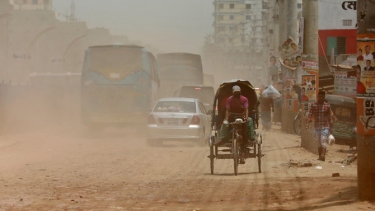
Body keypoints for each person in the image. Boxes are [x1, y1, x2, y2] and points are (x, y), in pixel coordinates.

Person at [219, 85, 256, 164]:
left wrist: (246, 118)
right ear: (233, 93)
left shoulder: (244, 99)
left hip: (242, 116)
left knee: (249, 121)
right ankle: (223, 138)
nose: (236, 94)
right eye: (235, 93)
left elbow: (246, 109)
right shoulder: (229, 100)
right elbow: (227, 110)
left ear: (240, 93)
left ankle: (249, 138)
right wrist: (227, 120)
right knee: (225, 123)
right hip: (232, 116)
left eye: (238, 93)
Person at [306, 91, 334, 161]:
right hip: (317, 127)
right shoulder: (313, 105)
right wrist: (308, 120)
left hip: (325, 126)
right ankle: (320, 156)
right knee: (318, 142)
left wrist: (331, 125)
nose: (321, 98)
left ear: (324, 97)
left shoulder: (327, 106)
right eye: (320, 96)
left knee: (323, 140)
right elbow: (310, 114)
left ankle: (323, 155)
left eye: (322, 97)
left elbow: (330, 116)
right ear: (318, 97)